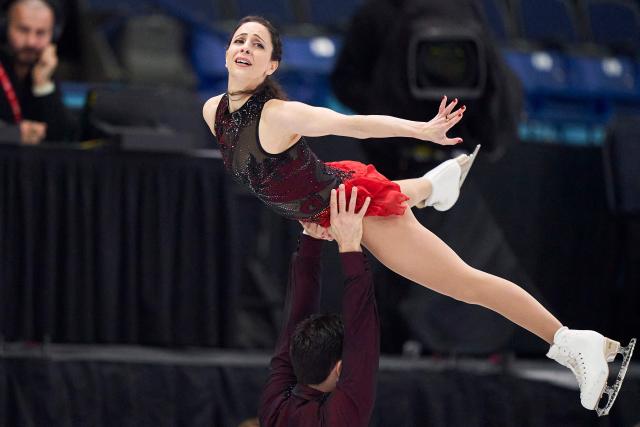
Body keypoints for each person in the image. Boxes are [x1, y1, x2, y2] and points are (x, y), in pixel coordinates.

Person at [202, 16, 635, 416]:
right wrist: (301, 213)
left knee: (465, 284)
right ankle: (434, 186)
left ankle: (573, 341)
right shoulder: (213, 111)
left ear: (271, 65)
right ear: (225, 53)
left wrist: (420, 130)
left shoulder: (281, 114)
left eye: (257, 44)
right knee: (402, 206)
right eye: (239, 40)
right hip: (331, 202)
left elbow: (354, 125)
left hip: (356, 207)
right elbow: (266, 177)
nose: (245, 47)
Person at [259, 185, 378, 427]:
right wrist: (324, 245)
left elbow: (362, 335)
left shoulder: (276, 409)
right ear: (340, 368)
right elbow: (362, 333)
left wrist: (342, 246)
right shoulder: (338, 418)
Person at [0, 0, 73, 144]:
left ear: (53, 35)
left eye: (41, 33)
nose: (31, 42)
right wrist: (12, 134)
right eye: (23, 30)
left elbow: (61, 138)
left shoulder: (44, 67)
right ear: (4, 27)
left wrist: (43, 85)